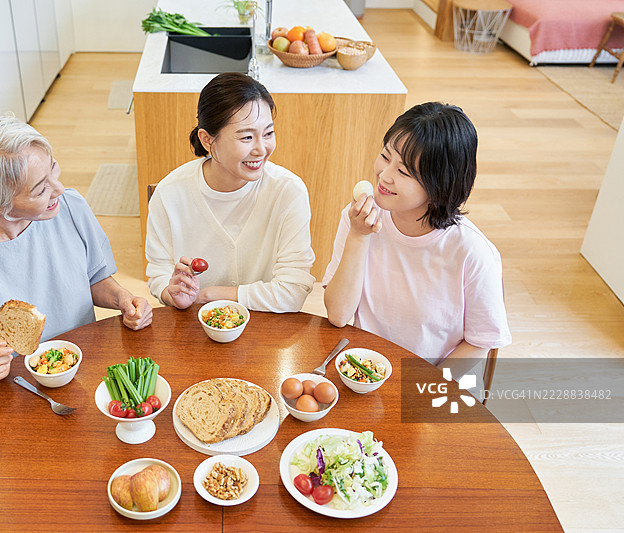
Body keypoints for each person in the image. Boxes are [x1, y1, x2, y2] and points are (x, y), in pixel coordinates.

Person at [0, 111, 152, 410]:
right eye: (40, 189)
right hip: (2, 397)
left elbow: (94, 278)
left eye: (53, 168)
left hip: (74, 374)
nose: (58, 188)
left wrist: (123, 299)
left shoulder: (69, 206)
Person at [323, 102, 511, 378]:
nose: (384, 176)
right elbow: (338, 315)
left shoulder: (472, 252)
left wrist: (421, 392)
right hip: (365, 374)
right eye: (385, 157)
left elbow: (480, 342)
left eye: (404, 172)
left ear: (440, 185)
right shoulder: (359, 220)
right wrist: (357, 236)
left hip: (432, 385)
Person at [145, 72, 315, 313]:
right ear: (207, 140)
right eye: (246, 137)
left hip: (266, 326)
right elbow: (158, 273)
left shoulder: (288, 191)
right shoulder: (170, 193)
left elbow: (293, 291)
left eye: (268, 133)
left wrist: (210, 295)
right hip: (197, 328)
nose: (261, 149)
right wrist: (172, 293)